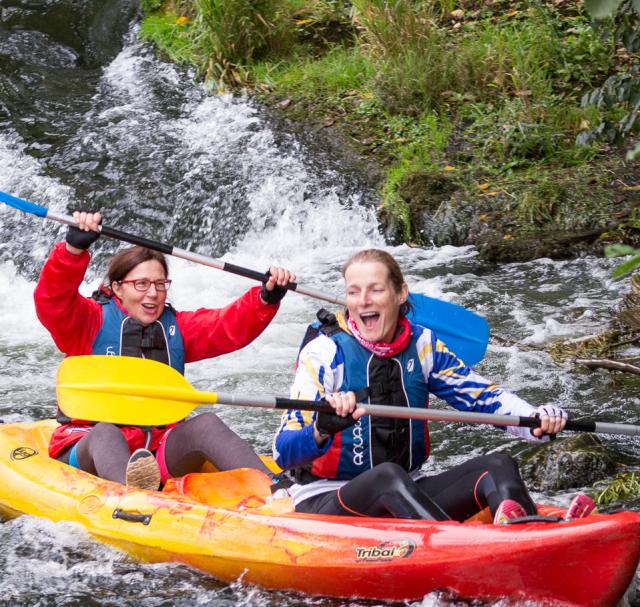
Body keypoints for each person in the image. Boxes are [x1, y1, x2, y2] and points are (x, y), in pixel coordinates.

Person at [274, 248, 595, 524]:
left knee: (498, 464)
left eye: (375, 290)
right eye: (354, 291)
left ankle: (529, 535)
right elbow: (283, 451)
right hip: (327, 499)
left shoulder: (423, 345)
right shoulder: (325, 352)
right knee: (387, 476)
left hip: (408, 491)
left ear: (401, 294)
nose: (363, 301)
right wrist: (322, 427)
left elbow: (481, 397)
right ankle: (461, 550)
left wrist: (535, 420)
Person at [34, 210, 296, 491]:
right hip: (89, 447)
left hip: (154, 447)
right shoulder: (88, 321)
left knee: (205, 424)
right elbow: (53, 301)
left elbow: (226, 327)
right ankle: (134, 499)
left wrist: (265, 298)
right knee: (106, 433)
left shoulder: (176, 328)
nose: (153, 293)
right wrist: (74, 250)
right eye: (142, 284)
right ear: (117, 288)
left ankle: (276, 491)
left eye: (160, 284)